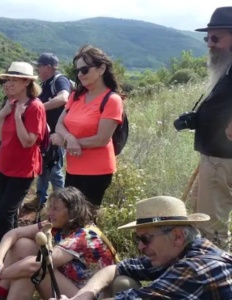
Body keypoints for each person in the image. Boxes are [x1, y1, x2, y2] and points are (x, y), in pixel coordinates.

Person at [58, 196, 232, 300]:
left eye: (146, 239)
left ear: (178, 236)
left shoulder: (195, 269)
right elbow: (115, 268)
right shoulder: (178, 253)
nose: (140, 246)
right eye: (138, 238)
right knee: (122, 281)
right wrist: (86, 294)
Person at [0, 187, 116, 299]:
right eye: (50, 207)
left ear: (72, 213)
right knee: (22, 245)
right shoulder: (58, 224)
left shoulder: (85, 235)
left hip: (85, 295)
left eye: (56, 209)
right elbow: (14, 233)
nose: (50, 213)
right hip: (70, 284)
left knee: (35, 271)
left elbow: (38, 266)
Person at [50, 45, 123, 208]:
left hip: (97, 172)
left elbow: (102, 139)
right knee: (69, 216)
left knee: (85, 220)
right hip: (74, 167)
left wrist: (67, 142)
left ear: (101, 69)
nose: (80, 75)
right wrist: (69, 138)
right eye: (77, 71)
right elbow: (60, 124)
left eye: (84, 70)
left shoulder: (112, 100)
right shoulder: (76, 95)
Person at [187, 6, 232, 248]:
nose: (209, 44)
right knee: (201, 217)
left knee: (210, 226)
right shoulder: (226, 68)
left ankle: (215, 277)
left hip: (221, 159)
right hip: (214, 157)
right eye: (207, 38)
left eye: (216, 38)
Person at [0, 62, 46, 252]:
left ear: (26, 82)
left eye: (14, 79)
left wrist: (16, 117)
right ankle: (12, 249)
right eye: (8, 79)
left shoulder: (35, 107)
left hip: (22, 169)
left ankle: (0, 253)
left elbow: (28, 142)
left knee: (5, 214)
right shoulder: (11, 103)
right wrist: (2, 116)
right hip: (4, 166)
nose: (10, 83)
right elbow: (1, 137)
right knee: (7, 212)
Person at [23, 53, 72, 212]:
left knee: (55, 170)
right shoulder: (46, 84)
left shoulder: (60, 80)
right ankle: (41, 198)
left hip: (56, 135)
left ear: (48, 67)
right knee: (43, 168)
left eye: (40, 66)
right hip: (46, 135)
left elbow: (64, 98)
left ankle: (63, 205)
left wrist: (39, 109)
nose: (38, 69)